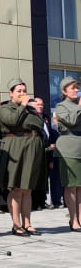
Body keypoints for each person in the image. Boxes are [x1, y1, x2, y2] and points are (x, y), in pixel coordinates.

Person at [0, 78, 46, 237]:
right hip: (16, 148)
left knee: (27, 189)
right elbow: (12, 120)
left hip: (31, 149)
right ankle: (16, 225)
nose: (23, 94)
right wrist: (23, 106)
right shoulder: (5, 108)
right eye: (19, 91)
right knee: (16, 188)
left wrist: (32, 108)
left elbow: (38, 124)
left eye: (24, 90)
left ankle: (27, 223)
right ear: (11, 93)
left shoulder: (29, 109)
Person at [54, 76, 81, 232]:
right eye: (73, 88)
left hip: (80, 146)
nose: (76, 90)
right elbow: (70, 121)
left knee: (80, 187)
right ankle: (73, 219)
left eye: (77, 87)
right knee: (71, 186)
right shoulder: (60, 106)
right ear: (64, 91)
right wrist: (79, 106)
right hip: (68, 149)